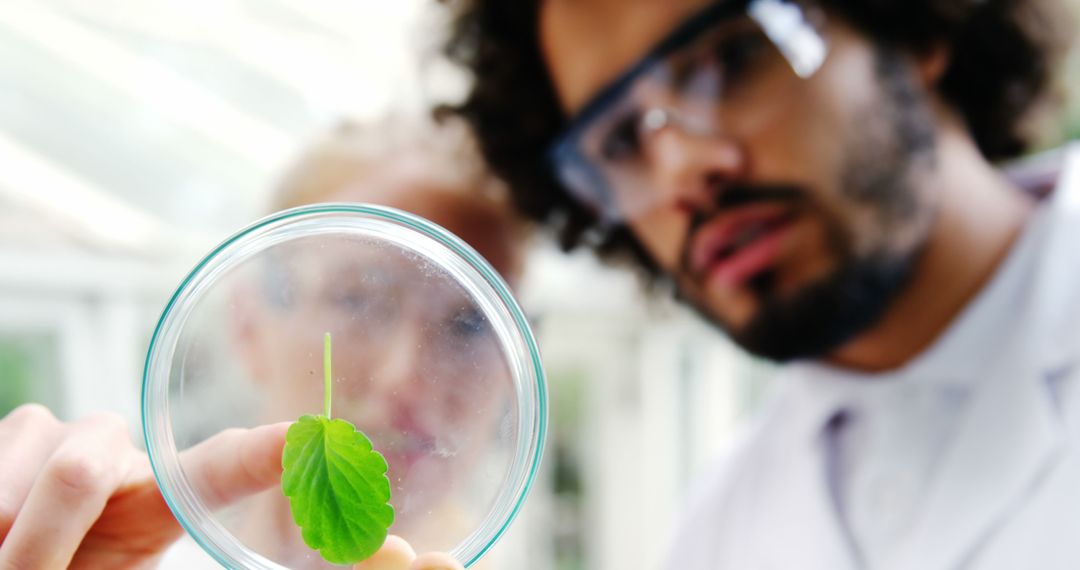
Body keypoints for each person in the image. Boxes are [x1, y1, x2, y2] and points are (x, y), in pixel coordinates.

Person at [438, 0, 1080, 568]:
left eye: (734, 55)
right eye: (619, 141)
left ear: (911, 29)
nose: (679, 172)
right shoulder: (717, 533)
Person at [0, 117, 525, 570]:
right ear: (248, 324)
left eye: (470, 324)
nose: (404, 374)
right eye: (358, 299)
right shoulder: (129, 554)